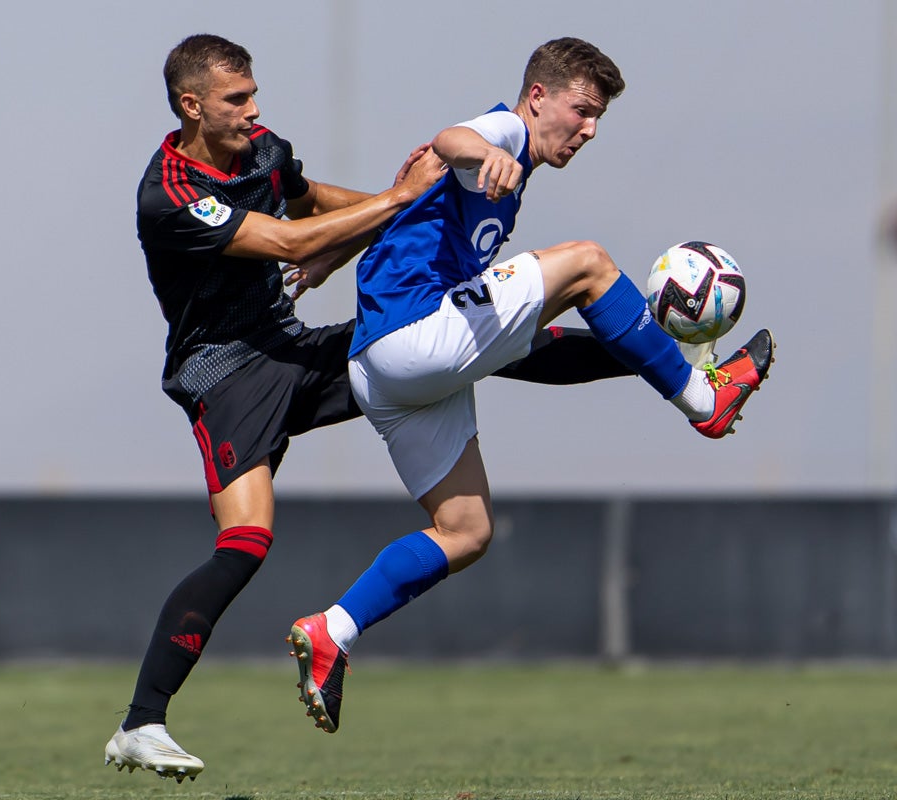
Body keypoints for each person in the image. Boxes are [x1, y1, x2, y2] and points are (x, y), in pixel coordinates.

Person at [106, 33, 636, 781]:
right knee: (248, 541)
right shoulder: (168, 195)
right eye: (237, 99)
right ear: (191, 105)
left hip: (292, 348)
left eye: (254, 93)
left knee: (465, 337)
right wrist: (398, 199)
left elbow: (311, 202)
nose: (254, 109)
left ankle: (648, 357)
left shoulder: (262, 149)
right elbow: (292, 240)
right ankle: (141, 723)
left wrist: (415, 218)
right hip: (224, 374)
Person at [286, 36, 774, 735]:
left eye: (599, 118)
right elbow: (454, 137)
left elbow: (409, 205)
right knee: (588, 264)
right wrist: (481, 150)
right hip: (410, 336)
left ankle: (334, 630)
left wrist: (333, 253)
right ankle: (703, 398)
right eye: (581, 110)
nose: (589, 130)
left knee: (466, 530)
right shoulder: (505, 131)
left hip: (381, 374)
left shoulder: (509, 176)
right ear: (539, 96)